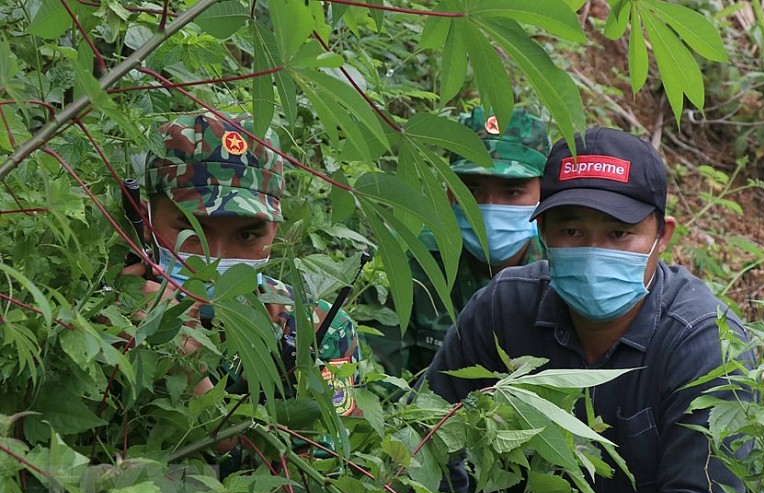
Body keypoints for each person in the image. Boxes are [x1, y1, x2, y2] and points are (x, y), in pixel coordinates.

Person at [423, 127, 755, 493]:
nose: (595, 251)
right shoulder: (503, 309)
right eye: (572, 231)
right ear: (542, 232)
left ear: (662, 236)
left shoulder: (701, 341)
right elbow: (430, 434)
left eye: (619, 233)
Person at [122, 112, 360, 420]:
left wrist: (191, 376)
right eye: (193, 231)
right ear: (145, 220)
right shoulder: (110, 315)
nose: (218, 257)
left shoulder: (320, 329)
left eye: (247, 235)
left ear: (275, 230)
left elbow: (327, 460)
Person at [367, 107, 551, 376]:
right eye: (471, 190)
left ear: (544, 194)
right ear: (449, 192)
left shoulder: (563, 269)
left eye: (512, 192)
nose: (487, 209)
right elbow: (380, 382)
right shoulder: (407, 258)